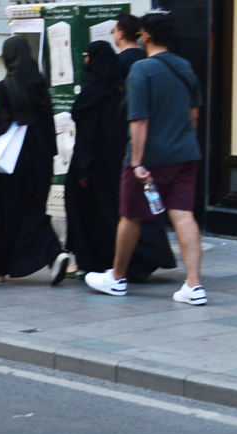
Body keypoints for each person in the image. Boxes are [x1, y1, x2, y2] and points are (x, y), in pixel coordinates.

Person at [85, 10, 207, 305]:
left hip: (150, 158)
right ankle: (194, 285)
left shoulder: (141, 70)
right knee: (183, 214)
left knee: (130, 216)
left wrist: (138, 161)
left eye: (140, 34)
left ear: (146, 37)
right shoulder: (185, 67)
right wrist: (182, 140)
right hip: (185, 154)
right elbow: (194, 114)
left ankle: (116, 277)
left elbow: (139, 119)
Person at [0, 37, 69, 285]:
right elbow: (50, 129)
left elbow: (0, 124)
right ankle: (55, 255)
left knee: (0, 214)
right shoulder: (41, 87)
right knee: (33, 213)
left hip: (11, 164)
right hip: (40, 161)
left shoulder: (4, 88)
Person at [65, 41, 175, 279]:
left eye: (87, 56)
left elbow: (88, 135)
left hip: (94, 167)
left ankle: (97, 260)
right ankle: (135, 261)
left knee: (92, 214)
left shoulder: (92, 94)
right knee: (119, 211)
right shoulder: (122, 90)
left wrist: (83, 170)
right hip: (119, 161)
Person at [114, 13, 146, 77]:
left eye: (114, 31)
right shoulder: (147, 56)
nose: (113, 34)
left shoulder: (116, 61)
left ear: (120, 34)